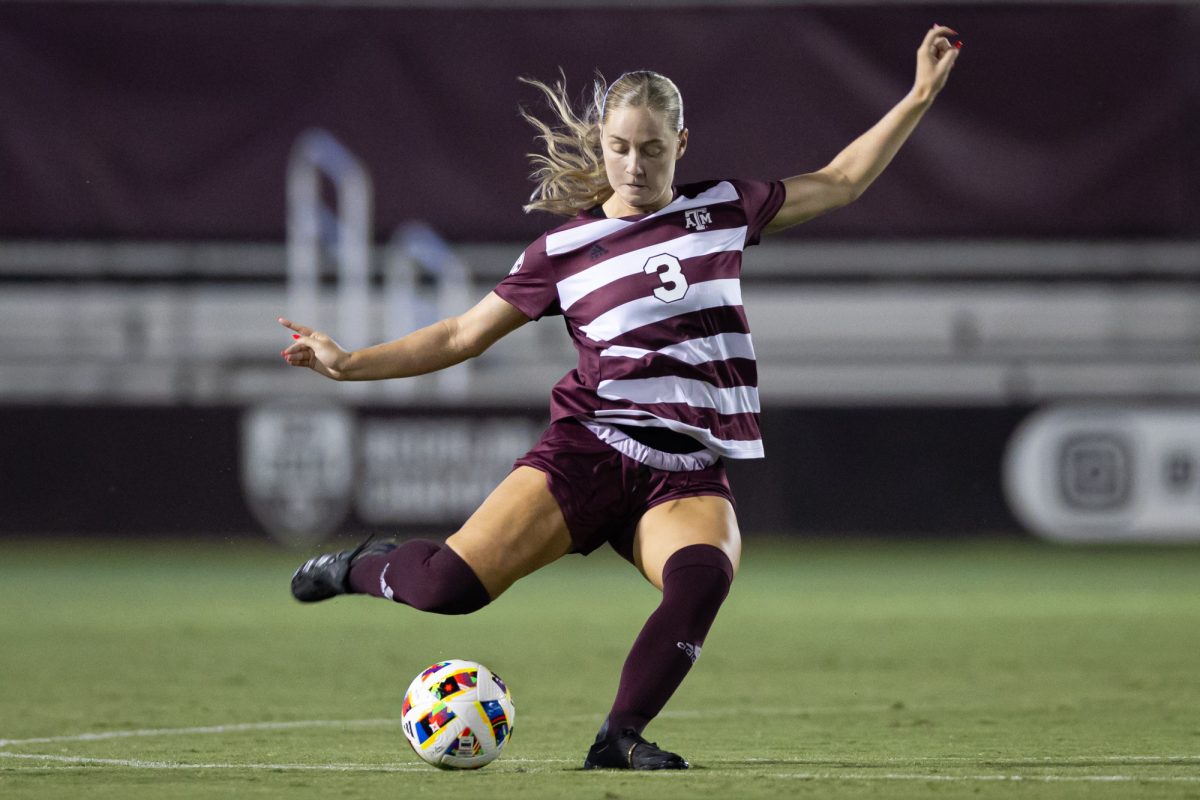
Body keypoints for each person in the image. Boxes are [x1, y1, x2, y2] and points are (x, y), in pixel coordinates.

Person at [280, 25, 960, 770]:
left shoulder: (725, 209)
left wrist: (920, 94)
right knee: (446, 589)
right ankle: (360, 568)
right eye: (621, 147)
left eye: (653, 148)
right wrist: (348, 365)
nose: (634, 165)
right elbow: (459, 337)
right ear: (603, 143)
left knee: (702, 577)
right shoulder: (563, 252)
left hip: (684, 471)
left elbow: (842, 180)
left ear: (682, 143)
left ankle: (618, 738)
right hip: (588, 452)